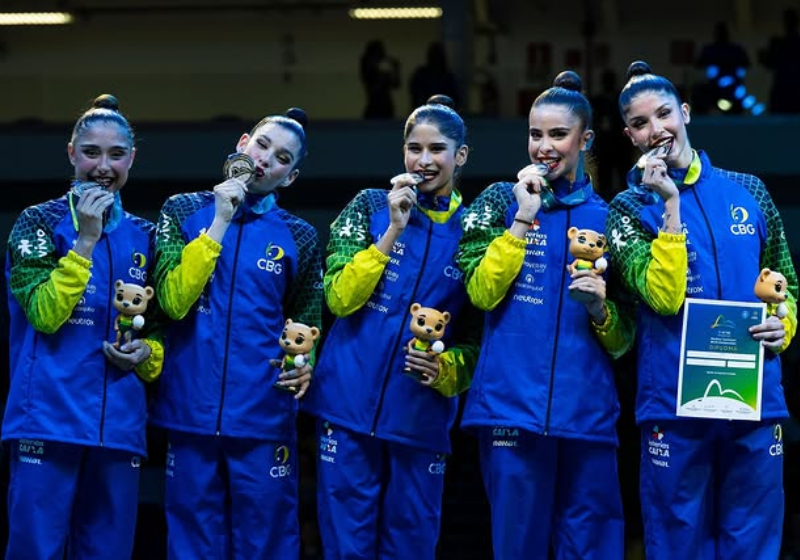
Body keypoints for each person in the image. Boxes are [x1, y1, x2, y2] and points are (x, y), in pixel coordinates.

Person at [606, 60, 798, 560]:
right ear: (629, 134)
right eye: (641, 123)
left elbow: (786, 280)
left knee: (753, 545)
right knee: (677, 546)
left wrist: (785, 325)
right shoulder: (627, 210)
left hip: (754, 401)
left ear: (685, 112)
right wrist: (668, 205)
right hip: (673, 405)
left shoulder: (749, 191)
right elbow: (662, 297)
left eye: (664, 114)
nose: (656, 130)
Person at [455, 70, 634, 559]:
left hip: (588, 416)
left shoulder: (614, 218)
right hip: (510, 410)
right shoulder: (498, 201)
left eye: (558, 134)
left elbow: (623, 340)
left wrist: (599, 307)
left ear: (586, 138)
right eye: (536, 134)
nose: (544, 147)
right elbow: (480, 294)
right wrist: (521, 218)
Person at [302, 95, 480, 560]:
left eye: (437, 149)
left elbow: (478, 338)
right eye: (413, 148)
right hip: (345, 407)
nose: (423, 161)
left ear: (460, 157)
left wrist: (445, 369)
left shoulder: (474, 230)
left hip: (419, 419)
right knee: (346, 548)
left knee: (413, 547)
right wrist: (392, 232)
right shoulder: (367, 208)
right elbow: (339, 297)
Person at [149, 108, 323, 559]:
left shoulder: (300, 236)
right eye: (263, 145)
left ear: (290, 176)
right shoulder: (183, 211)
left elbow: (307, 319)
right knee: (192, 543)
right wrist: (220, 220)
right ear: (243, 143)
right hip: (190, 410)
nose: (267, 160)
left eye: (282, 158)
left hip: (264, 414)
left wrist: (304, 365)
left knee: (267, 543)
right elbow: (170, 302)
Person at [3, 94, 164, 559]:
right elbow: (44, 313)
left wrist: (146, 354)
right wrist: (86, 241)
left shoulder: (147, 236)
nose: (103, 167)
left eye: (116, 155)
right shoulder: (37, 223)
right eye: (92, 152)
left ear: (132, 158)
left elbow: (157, 329)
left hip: (118, 426)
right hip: (46, 420)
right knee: (37, 550)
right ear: (72, 153)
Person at [759, 8, 800, 114]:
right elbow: (769, 63)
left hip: (784, 88)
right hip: (785, 88)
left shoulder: (778, 43)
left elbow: (769, 63)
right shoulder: (778, 43)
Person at [410, 42, 460, 111]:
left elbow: (454, 97)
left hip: (442, 114)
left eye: (438, 55)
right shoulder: (421, 74)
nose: (436, 59)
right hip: (425, 113)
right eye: (435, 55)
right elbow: (415, 95)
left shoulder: (447, 76)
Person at [360, 40, 401, 119]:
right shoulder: (369, 74)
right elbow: (375, 88)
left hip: (385, 108)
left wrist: (396, 69)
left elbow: (396, 84)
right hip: (376, 108)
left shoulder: (383, 74)